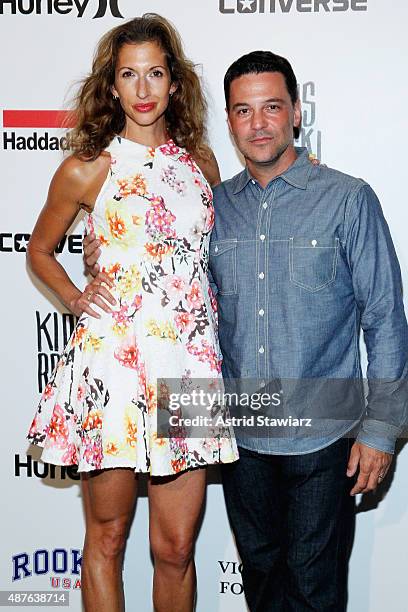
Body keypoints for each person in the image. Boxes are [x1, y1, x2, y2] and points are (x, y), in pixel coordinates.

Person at [85, 50, 408, 611]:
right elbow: (166, 273)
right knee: (260, 584)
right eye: (243, 111)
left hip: (323, 431)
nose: (258, 124)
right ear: (229, 121)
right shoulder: (212, 205)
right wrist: (102, 258)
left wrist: (380, 431)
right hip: (241, 433)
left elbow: (384, 317)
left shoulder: (348, 199)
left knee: (313, 590)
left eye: (271, 108)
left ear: (296, 113)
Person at [26, 14, 238, 612]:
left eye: (154, 73)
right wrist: (74, 297)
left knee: (174, 548)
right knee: (109, 537)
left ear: (175, 83)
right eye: (128, 74)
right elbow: (40, 251)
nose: (142, 89)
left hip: (189, 371)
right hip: (111, 372)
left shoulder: (202, 166)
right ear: (111, 86)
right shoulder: (87, 168)